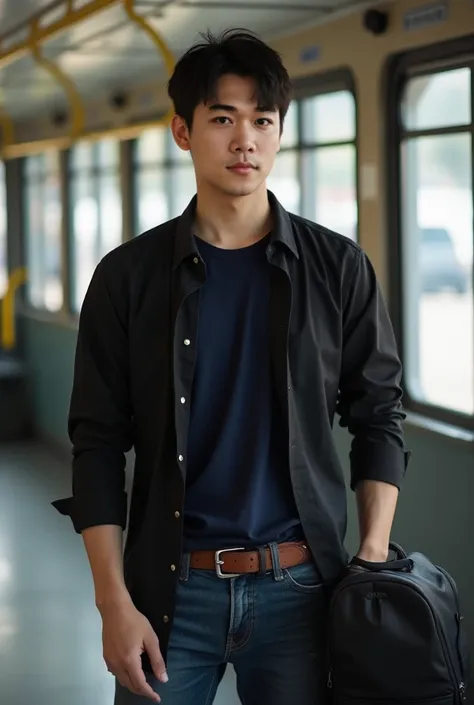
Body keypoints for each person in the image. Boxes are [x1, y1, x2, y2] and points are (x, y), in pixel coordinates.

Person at [53, 28, 411, 705]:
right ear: (183, 132)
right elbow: (96, 443)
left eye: (262, 120)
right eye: (222, 118)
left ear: (279, 132)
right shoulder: (127, 278)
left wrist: (368, 559)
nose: (245, 139)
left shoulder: (337, 269)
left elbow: (380, 415)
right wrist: (112, 603)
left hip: (302, 591)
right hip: (169, 596)